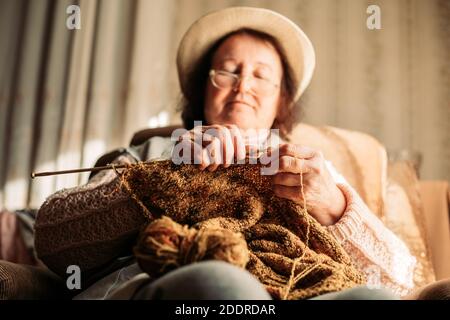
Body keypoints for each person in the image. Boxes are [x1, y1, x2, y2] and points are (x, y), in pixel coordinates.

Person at [34, 7, 416, 300]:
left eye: (262, 75)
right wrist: (168, 178)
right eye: (228, 71)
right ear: (203, 88)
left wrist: (334, 205)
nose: (242, 86)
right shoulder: (151, 152)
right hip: (188, 284)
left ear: (282, 99)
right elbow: (55, 242)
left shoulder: (311, 168)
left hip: (299, 288)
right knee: (225, 286)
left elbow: (400, 280)